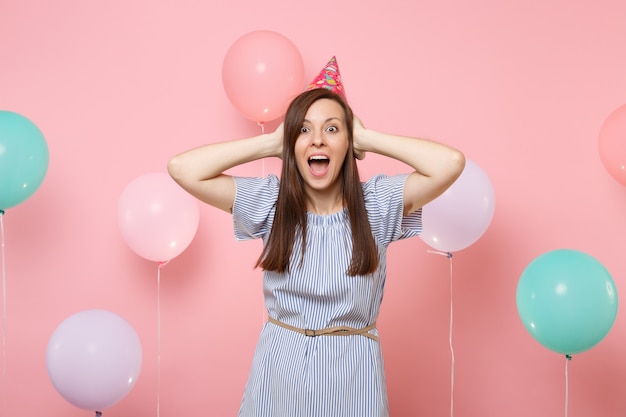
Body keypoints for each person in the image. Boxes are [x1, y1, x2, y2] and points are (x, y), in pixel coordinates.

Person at [168, 87, 465, 416]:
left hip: (353, 378)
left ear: (348, 144)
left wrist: (366, 137)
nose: (318, 140)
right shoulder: (271, 202)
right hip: (281, 374)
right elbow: (182, 168)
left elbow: (450, 163)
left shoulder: (378, 204)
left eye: (333, 129)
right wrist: (271, 143)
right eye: (304, 129)